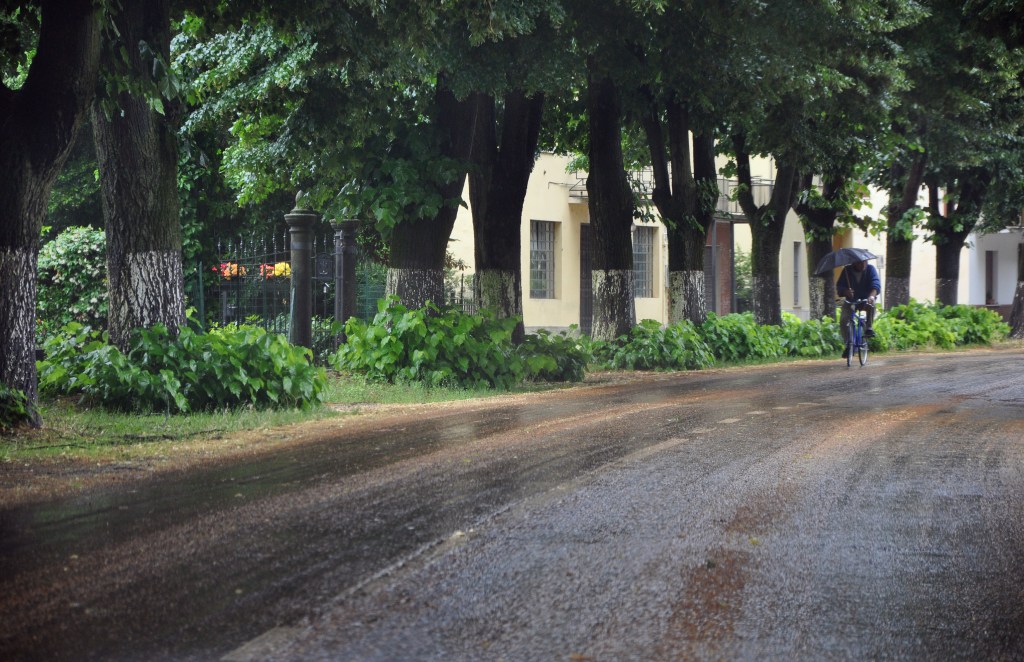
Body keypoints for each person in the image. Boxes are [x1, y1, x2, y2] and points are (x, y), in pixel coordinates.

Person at [837, 259, 880, 356]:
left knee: (871, 305)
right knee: (844, 319)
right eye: (860, 262)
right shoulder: (847, 271)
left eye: (865, 262)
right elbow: (839, 287)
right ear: (854, 263)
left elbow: (876, 284)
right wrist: (845, 292)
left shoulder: (870, 269)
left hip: (866, 299)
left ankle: (869, 327)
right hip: (851, 301)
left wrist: (871, 296)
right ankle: (848, 344)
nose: (864, 264)